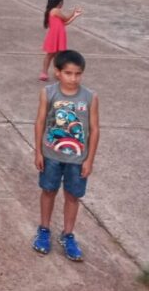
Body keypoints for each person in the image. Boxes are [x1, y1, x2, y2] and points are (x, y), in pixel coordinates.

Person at [32, 50, 99, 262]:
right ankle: (44, 230)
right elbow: (40, 122)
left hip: (78, 160)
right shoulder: (49, 92)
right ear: (58, 72)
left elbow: (94, 129)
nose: (74, 78)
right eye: (69, 73)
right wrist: (38, 151)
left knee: (72, 196)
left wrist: (89, 160)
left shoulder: (90, 97)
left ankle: (68, 235)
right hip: (51, 156)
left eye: (78, 74)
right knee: (48, 191)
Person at [40, 0, 83, 81]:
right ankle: (44, 72)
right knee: (51, 55)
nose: (62, 4)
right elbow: (66, 18)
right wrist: (73, 12)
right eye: (62, 2)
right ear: (59, 2)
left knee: (56, 56)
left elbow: (65, 23)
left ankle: (54, 73)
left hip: (58, 36)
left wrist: (75, 16)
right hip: (55, 37)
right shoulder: (55, 11)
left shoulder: (53, 11)